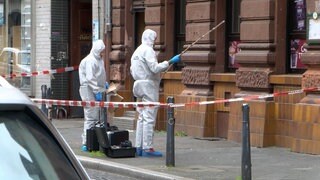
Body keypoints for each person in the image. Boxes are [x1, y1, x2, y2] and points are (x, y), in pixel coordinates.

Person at [130, 29, 181, 157]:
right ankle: (148, 148)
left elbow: (132, 70)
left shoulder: (137, 51)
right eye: (154, 38)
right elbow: (154, 68)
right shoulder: (148, 50)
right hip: (148, 86)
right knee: (149, 117)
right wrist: (169, 62)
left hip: (138, 85)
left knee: (141, 117)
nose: (155, 41)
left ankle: (139, 146)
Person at [78, 39, 108, 151]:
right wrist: (97, 91)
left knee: (97, 117)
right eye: (101, 51)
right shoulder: (90, 60)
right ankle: (86, 142)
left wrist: (103, 84)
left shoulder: (98, 60)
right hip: (88, 90)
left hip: (95, 89)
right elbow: (90, 78)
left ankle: (93, 140)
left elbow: (98, 74)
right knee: (91, 116)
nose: (103, 53)